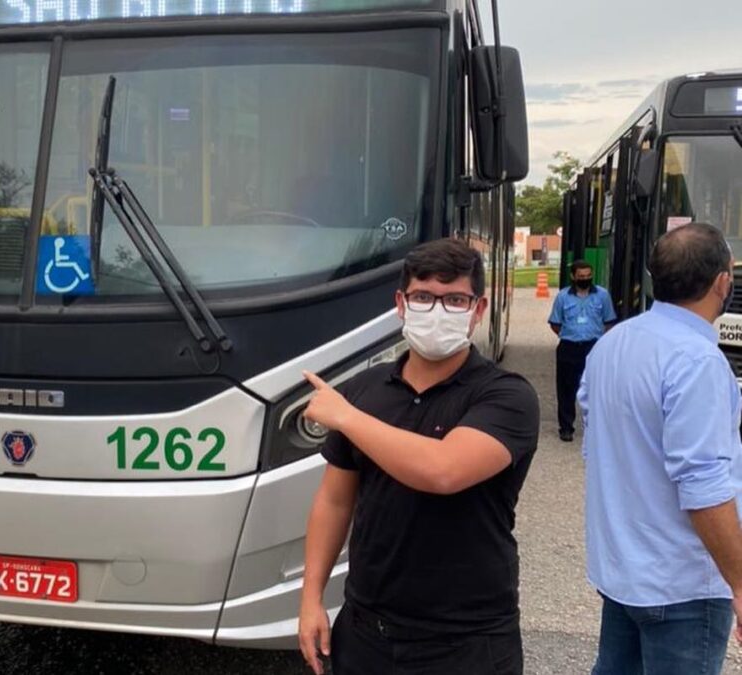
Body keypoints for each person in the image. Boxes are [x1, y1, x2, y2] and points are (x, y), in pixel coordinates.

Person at [297, 238, 540, 675]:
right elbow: (334, 501)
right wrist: (311, 600)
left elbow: (443, 470)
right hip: (366, 630)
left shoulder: (506, 396)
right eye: (424, 297)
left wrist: (348, 418)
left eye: (455, 300)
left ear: (478, 310)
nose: (438, 310)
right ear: (401, 303)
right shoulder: (365, 390)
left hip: (467, 641)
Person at [580, 222, 742, 675]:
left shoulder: (612, 344)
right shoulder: (698, 360)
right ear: (722, 282)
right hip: (683, 584)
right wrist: (740, 582)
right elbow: (704, 485)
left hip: (623, 573)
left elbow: (598, 444)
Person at [549, 260, 616, 442]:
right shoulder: (563, 297)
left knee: (596, 389)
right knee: (566, 390)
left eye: (588, 276)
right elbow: (555, 323)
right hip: (569, 347)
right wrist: (570, 334)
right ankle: (566, 428)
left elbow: (609, 321)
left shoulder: (602, 295)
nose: (585, 279)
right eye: (581, 277)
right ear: (573, 277)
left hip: (593, 347)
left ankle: (594, 427)